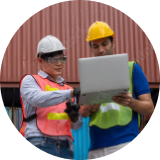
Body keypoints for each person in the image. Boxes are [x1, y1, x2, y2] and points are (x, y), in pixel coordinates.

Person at [79, 21, 154, 159]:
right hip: (95, 147)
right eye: (95, 46)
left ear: (113, 43)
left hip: (125, 141)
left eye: (105, 44)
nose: (101, 50)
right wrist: (89, 108)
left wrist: (130, 102)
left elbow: (150, 108)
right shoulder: (89, 73)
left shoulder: (132, 68)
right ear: (91, 48)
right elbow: (83, 112)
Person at [19, 35, 82, 160]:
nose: (59, 63)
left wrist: (75, 118)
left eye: (62, 59)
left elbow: (77, 126)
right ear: (40, 60)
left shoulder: (68, 89)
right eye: (53, 60)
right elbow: (38, 99)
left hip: (66, 146)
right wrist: (71, 94)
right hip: (39, 141)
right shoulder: (30, 81)